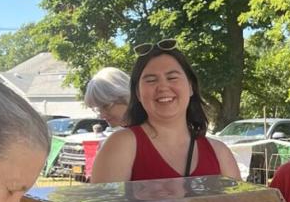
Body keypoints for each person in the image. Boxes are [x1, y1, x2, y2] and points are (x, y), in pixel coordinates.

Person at [89, 39, 240, 182]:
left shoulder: (219, 153)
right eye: (151, 80)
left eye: (172, 77)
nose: (162, 87)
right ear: (138, 93)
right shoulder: (121, 145)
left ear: (191, 87)